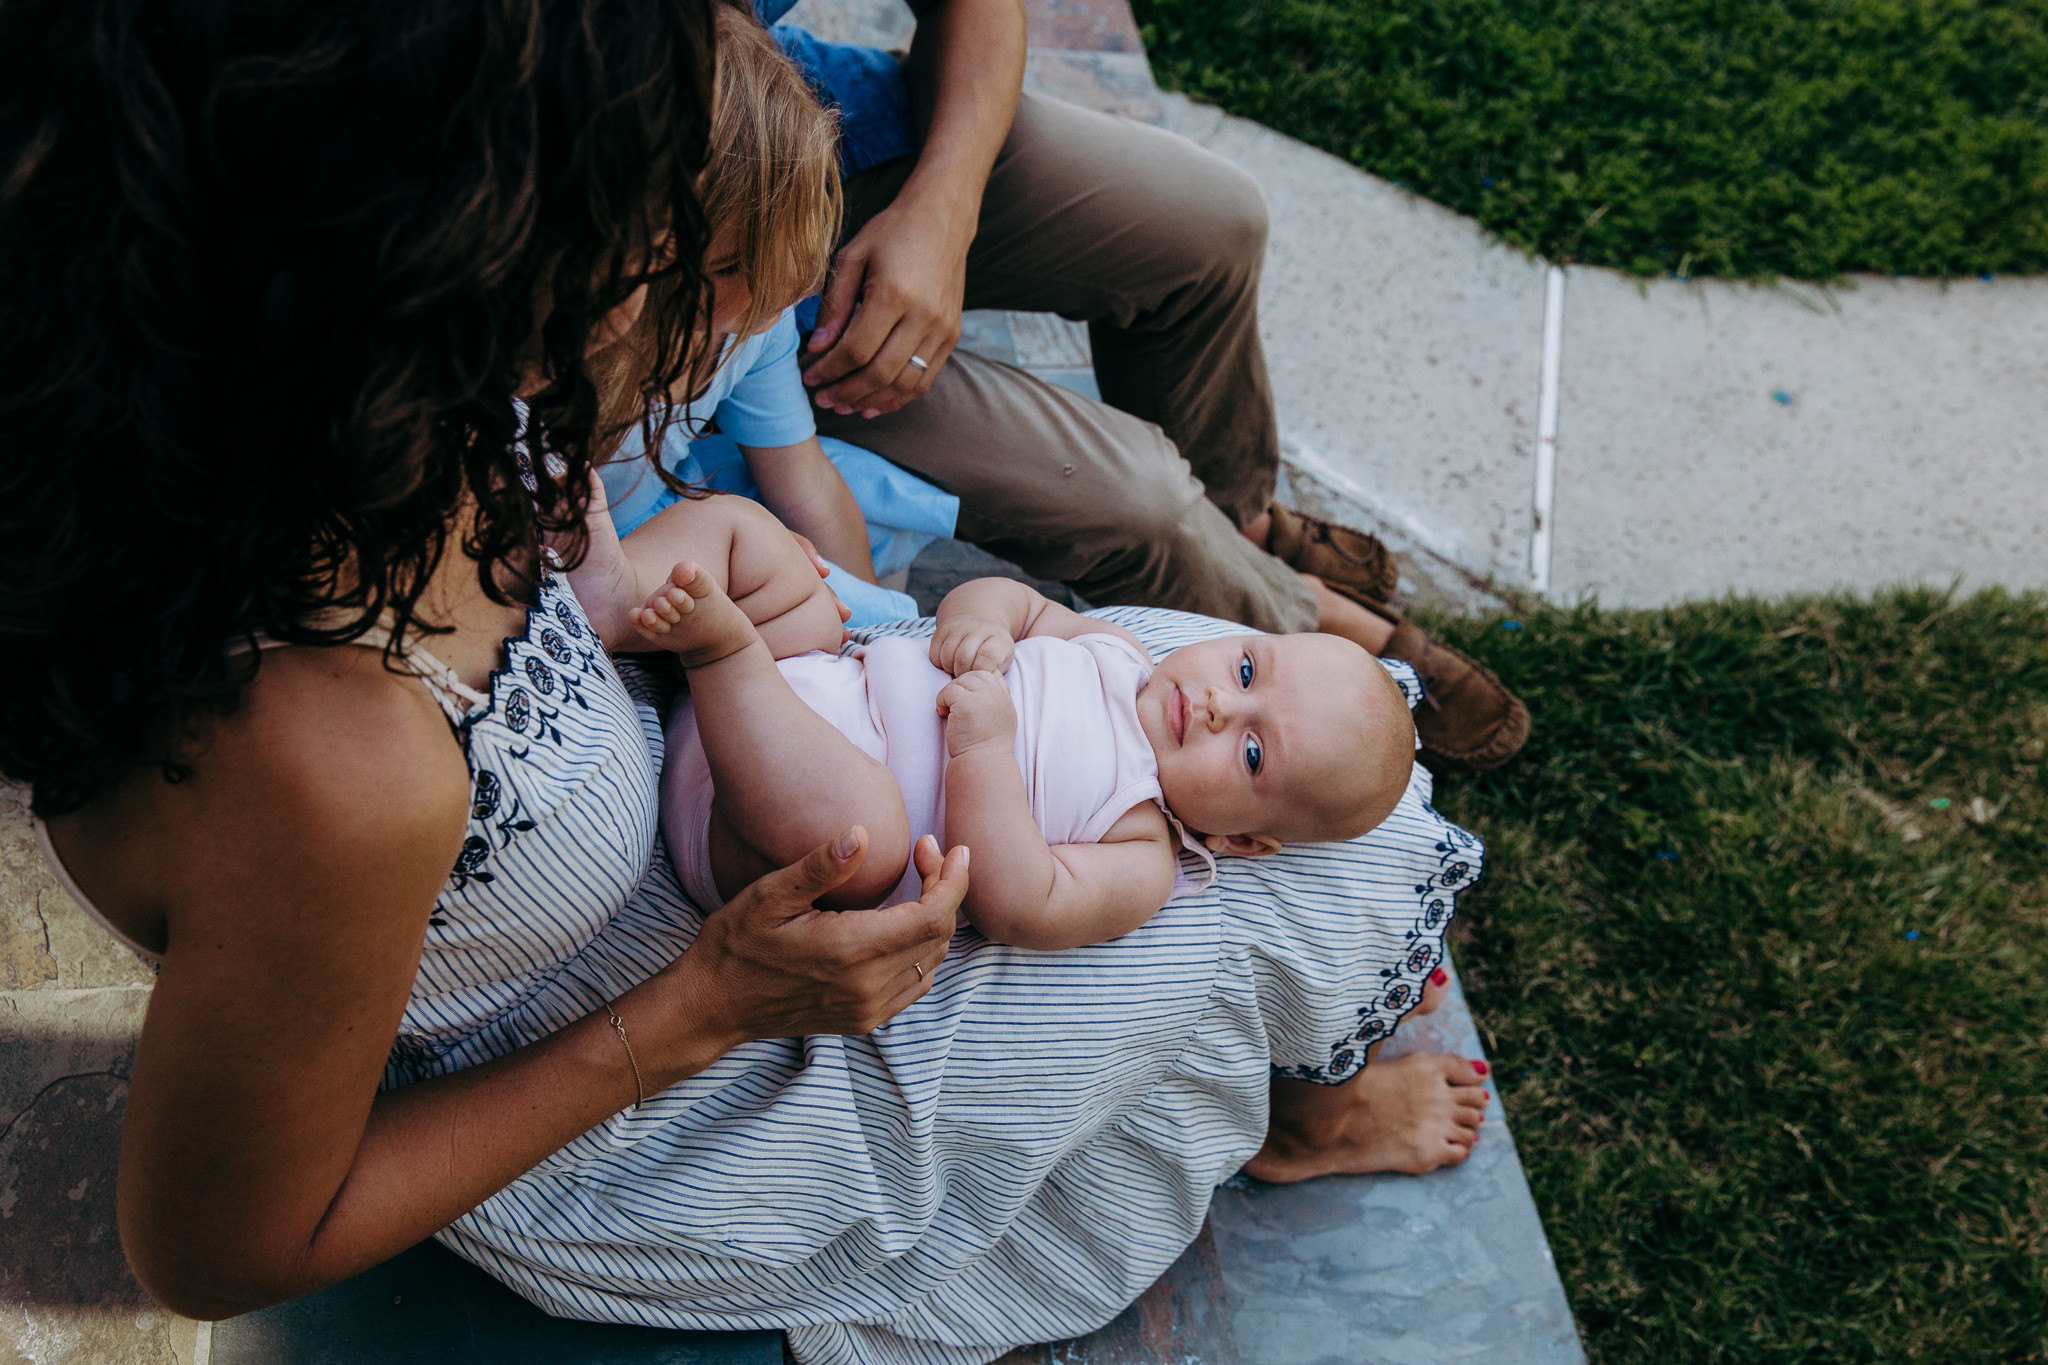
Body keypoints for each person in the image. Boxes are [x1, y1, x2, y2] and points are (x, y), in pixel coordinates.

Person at [0, 3, 1489, 1360]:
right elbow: (221, 1246)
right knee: (1225, 908)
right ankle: (1299, 1107)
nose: (731, 328)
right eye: (680, 259)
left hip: (681, 833)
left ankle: (1305, 1037)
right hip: (632, 1085)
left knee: (1208, 733)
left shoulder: (401, 419)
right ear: (470, 262)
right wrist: (712, 1004)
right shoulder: (336, 764)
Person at [758, 0, 1532, 770]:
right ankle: (1294, 622)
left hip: (808, 126)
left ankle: (1237, 530)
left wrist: (944, 210)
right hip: (729, 288)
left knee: (1218, 222)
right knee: (1140, 497)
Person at [597, 484, 1414, 947]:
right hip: (804, 673)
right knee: (758, 541)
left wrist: (984, 747)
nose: (1215, 706)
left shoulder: (1141, 852)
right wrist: (978, 618)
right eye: (1244, 670)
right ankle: (617, 594)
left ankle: (715, 652)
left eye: (1252, 753)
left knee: (865, 835)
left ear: (1239, 840)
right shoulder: (1116, 649)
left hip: (763, 830)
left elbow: (1019, 901)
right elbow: (1015, 603)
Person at [591, 3, 957, 629]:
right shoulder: (571, 373)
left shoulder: (752, 325)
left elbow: (803, 482)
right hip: (611, 565)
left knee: (859, 585)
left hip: (681, 497)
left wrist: (878, 636)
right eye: (735, 266)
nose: (773, 299)